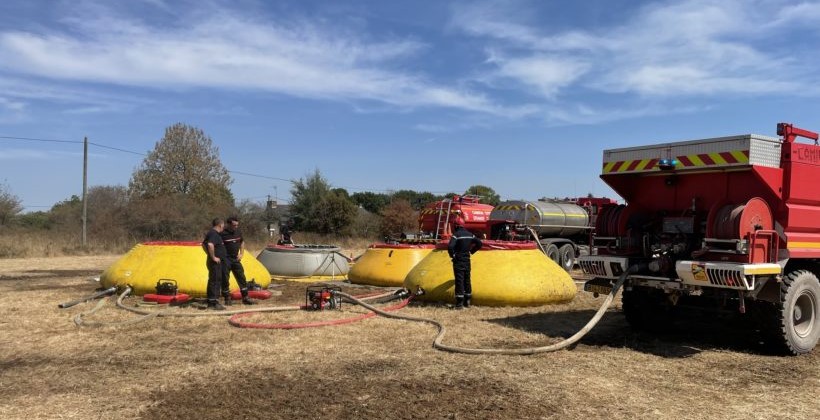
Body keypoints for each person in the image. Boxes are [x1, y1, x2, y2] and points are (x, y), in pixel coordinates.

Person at [448, 218, 482, 309]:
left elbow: (450, 246)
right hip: (467, 260)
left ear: (456, 225)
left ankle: (459, 304)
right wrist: (471, 251)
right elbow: (479, 243)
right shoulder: (470, 234)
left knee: (459, 280)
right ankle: (467, 301)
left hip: (458, 260)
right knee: (467, 279)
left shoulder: (456, 235)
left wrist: (453, 255)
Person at [221, 216, 256, 305]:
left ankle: (245, 297)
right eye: (234, 225)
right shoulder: (222, 234)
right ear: (228, 224)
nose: (235, 227)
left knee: (241, 277)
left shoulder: (238, 232)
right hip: (225, 259)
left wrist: (241, 254)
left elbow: (242, 242)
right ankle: (227, 298)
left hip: (235, 259)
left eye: (237, 225)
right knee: (225, 278)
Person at [202, 218, 229, 310]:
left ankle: (212, 301)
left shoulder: (213, 233)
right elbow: (209, 245)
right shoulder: (213, 233)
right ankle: (213, 303)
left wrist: (209, 255)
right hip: (215, 262)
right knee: (215, 281)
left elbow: (203, 244)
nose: (223, 227)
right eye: (223, 225)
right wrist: (213, 257)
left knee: (215, 280)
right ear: (220, 225)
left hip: (215, 261)